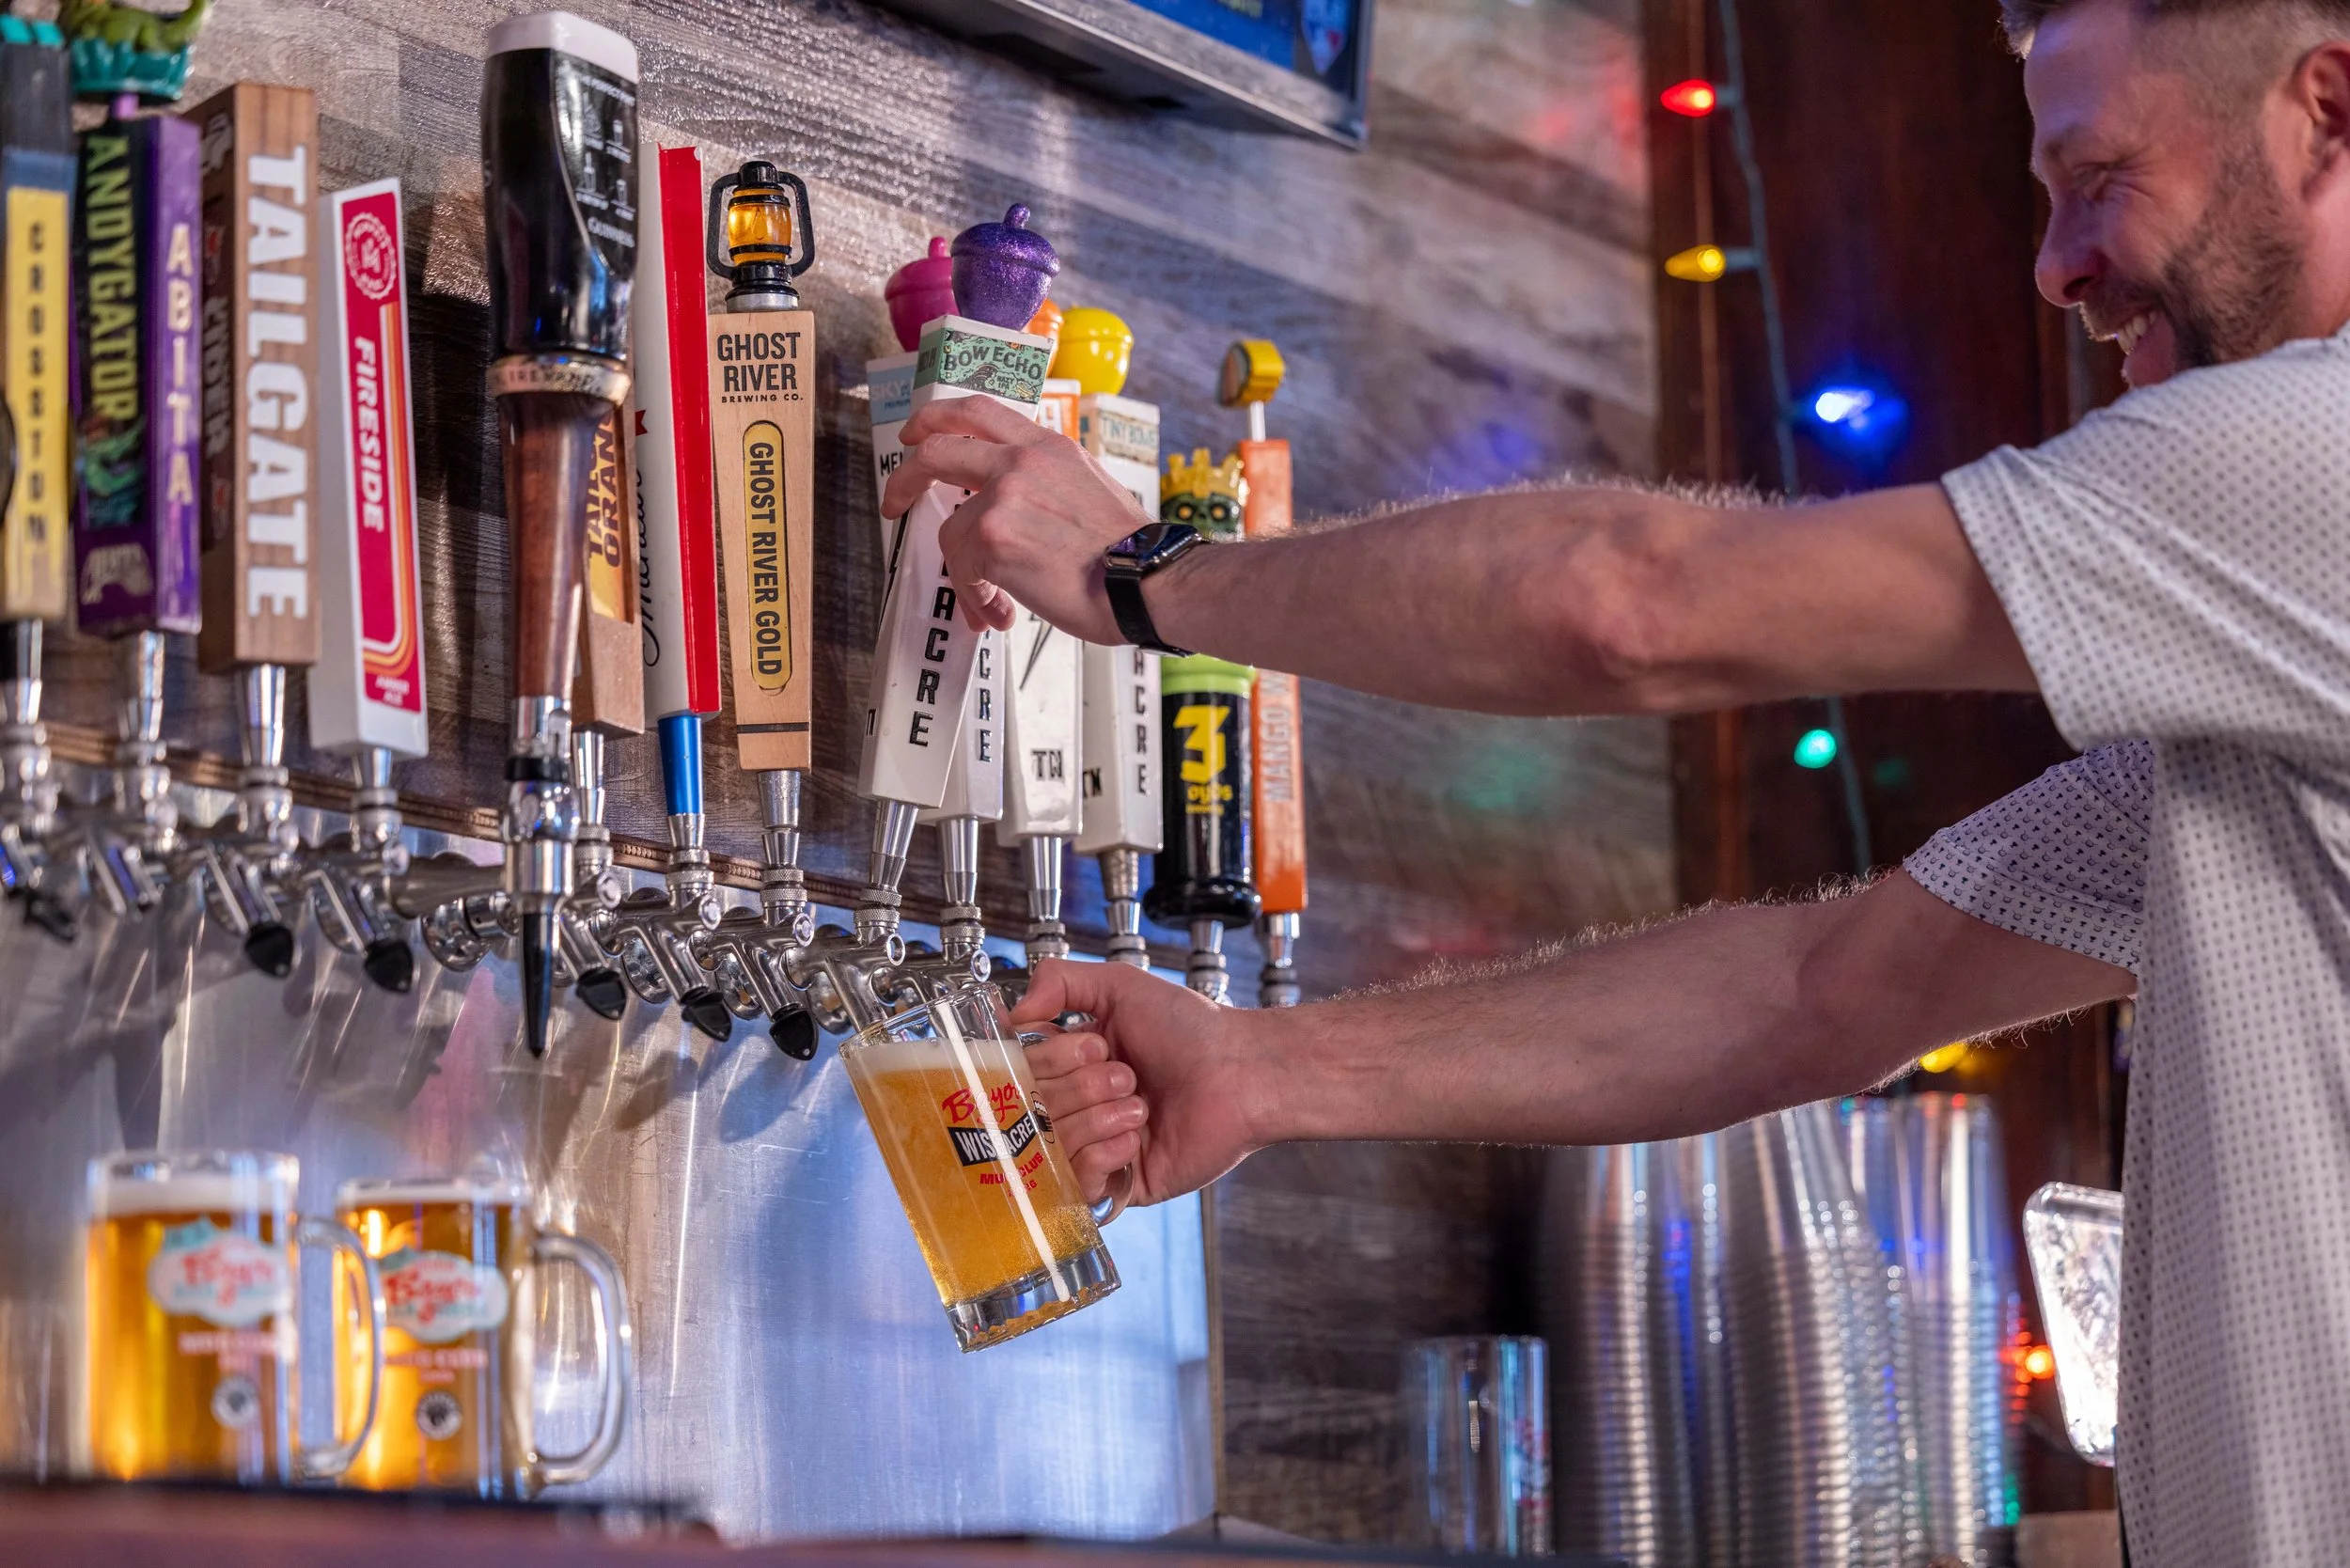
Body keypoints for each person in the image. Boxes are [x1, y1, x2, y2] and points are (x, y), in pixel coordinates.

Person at [883, 0, 2350, 1560]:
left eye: (2100, 174)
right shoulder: (2254, 706)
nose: (2056, 265)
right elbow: (1821, 990)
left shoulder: (2315, 464)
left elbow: (1630, 606)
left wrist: (1144, 572)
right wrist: (1265, 1070)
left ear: (2326, 110)